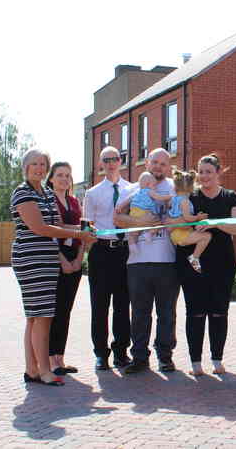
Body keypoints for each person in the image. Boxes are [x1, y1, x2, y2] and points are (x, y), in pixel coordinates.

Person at [11, 149, 96, 386]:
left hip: (47, 260)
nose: (39, 168)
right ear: (26, 167)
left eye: (42, 164)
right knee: (43, 316)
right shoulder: (23, 192)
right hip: (31, 260)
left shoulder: (46, 193)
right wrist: (78, 233)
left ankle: (32, 369)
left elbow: (56, 223)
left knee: (34, 317)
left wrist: (84, 232)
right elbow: (41, 228)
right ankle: (46, 370)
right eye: (34, 164)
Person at [175, 153, 236, 376]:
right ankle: (196, 362)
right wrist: (193, 225)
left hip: (222, 264)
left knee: (218, 312)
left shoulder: (230, 197)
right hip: (192, 263)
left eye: (208, 171)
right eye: (201, 172)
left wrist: (214, 223)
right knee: (195, 312)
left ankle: (217, 359)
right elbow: (178, 224)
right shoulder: (190, 197)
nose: (204, 176)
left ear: (218, 172)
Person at [114, 148, 180, 374]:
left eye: (163, 163)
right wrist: (140, 221)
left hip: (168, 261)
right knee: (140, 313)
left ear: (169, 167)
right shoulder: (134, 188)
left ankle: (165, 356)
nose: (158, 167)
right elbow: (117, 217)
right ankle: (140, 357)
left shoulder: (174, 188)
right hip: (137, 262)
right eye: (154, 162)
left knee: (167, 313)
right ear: (147, 164)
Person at [83, 146, 132, 371]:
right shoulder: (92, 193)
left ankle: (121, 352)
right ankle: (101, 353)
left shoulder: (132, 189)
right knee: (100, 306)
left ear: (120, 161)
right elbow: (87, 227)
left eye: (114, 159)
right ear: (100, 164)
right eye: (106, 160)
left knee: (123, 305)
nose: (111, 163)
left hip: (124, 252)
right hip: (101, 253)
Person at [46, 161, 85, 377]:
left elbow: (82, 232)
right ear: (51, 178)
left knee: (65, 311)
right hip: (55, 258)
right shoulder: (47, 200)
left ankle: (60, 358)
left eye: (67, 175)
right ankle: (50, 360)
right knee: (54, 311)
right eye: (59, 174)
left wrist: (79, 259)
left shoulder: (73, 200)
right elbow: (54, 231)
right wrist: (62, 260)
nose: (64, 179)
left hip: (75, 259)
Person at [116, 171, 173, 255]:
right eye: (154, 185)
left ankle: (132, 245)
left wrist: (119, 207)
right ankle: (149, 233)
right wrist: (169, 196)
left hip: (134, 212)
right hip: (145, 211)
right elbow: (159, 197)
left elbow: (127, 201)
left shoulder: (136, 192)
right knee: (158, 222)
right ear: (147, 184)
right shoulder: (149, 191)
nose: (155, 188)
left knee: (133, 232)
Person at [167, 168, 209, 273]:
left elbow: (170, 212)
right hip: (181, 234)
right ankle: (194, 257)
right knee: (207, 236)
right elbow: (187, 218)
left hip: (175, 234)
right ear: (191, 187)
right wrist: (198, 218)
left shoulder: (173, 199)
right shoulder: (185, 201)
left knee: (200, 234)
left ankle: (194, 257)